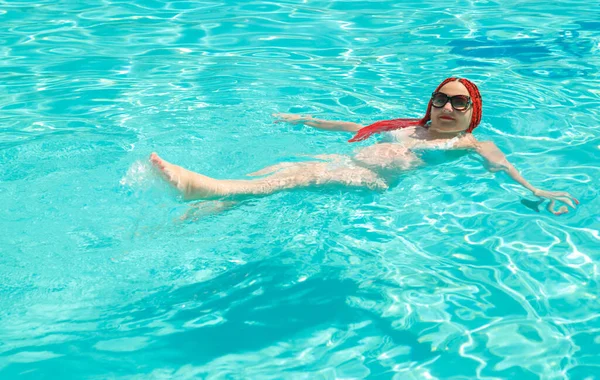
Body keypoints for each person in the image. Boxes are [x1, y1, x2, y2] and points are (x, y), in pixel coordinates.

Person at [150, 77, 579, 215]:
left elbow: (503, 166)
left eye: (460, 102)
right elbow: (351, 126)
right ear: (430, 104)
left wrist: (536, 191)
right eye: (441, 99)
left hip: (372, 178)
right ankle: (201, 211)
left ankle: (202, 187)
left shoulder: (472, 143)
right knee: (277, 169)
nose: (448, 107)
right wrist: (304, 120)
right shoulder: (406, 127)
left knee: (299, 177)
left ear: (472, 112)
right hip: (348, 159)